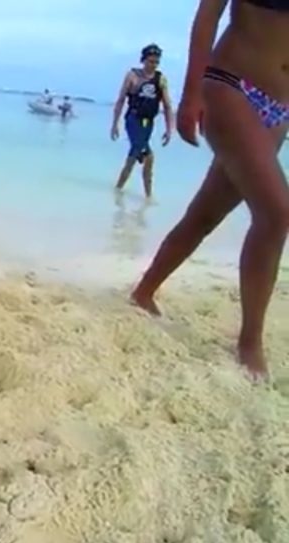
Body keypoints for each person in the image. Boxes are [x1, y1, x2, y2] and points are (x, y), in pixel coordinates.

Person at [130, 0, 289, 380]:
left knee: (205, 214)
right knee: (277, 212)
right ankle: (250, 342)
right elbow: (208, 15)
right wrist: (191, 94)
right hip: (231, 86)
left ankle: (144, 292)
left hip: (281, 107)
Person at [110, 44, 174, 198]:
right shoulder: (132, 76)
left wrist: (169, 129)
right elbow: (120, 100)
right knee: (149, 157)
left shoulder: (161, 79)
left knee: (133, 157)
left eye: (156, 62)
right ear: (143, 60)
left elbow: (167, 105)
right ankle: (149, 196)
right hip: (133, 120)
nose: (153, 65)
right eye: (150, 61)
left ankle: (118, 190)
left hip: (148, 123)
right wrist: (115, 124)